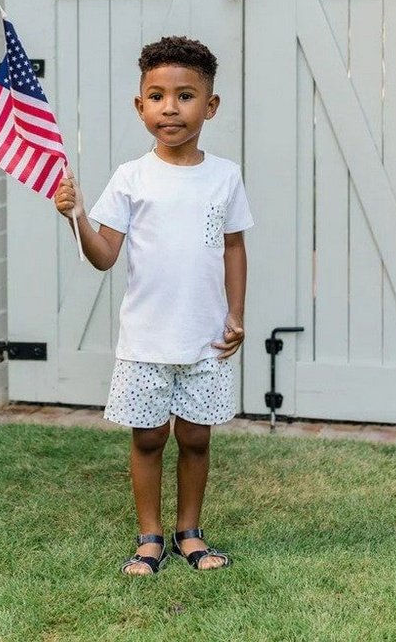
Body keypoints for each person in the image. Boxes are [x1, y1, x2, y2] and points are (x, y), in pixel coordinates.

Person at [54, 35, 253, 575]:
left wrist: (236, 315)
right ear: (140, 106)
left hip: (205, 336)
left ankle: (190, 531)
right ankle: (150, 536)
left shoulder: (224, 176)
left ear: (209, 107)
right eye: (158, 96)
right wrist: (74, 216)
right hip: (145, 339)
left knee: (194, 436)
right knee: (148, 438)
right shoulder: (131, 178)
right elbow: (103, 256)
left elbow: (233, 246)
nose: (171, 108)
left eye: (186, 96)